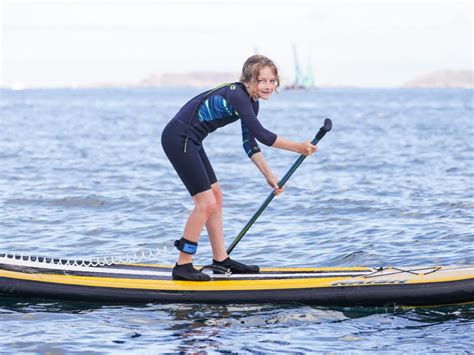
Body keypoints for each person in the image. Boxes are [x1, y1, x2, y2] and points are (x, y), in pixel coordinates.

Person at [161, 55, 317, 281]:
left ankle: (221, 260)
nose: (267, 86)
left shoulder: (251, 102)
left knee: (216, 197)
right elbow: (264, 136)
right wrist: (299, 147)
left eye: (272, 81)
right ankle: (183, 264)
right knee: (205, 203)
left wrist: (269, 176)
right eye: (261, 80)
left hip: (191, 140)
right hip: (179, 138)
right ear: (248, 80)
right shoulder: (237, 94)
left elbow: (250, 143)